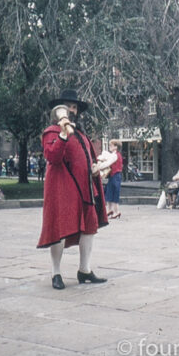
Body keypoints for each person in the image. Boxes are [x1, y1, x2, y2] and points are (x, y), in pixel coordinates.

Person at [37, 89, 108, 290]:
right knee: (59, 229)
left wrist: (94, 169)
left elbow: (86, 158)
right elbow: (52, 157)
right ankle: (56, 273)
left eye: (74, 107)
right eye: (67, 107)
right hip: (63, 190)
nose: (71, 110)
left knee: (89, 228)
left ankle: (84, 270)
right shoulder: (51, 132)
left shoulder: (82, 135)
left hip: (85, 188)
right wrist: (62, 134)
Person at [100, 140, 123, 219]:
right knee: (109, 192)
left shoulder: (115, 155)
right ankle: (109, 210)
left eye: (111, 145)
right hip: (113, 176)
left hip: (115, 176)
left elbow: (108, 163)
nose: (110, 147)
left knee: (114, 194)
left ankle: (116, 212)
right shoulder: (114, 155)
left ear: (116, 147)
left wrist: (98, 167)